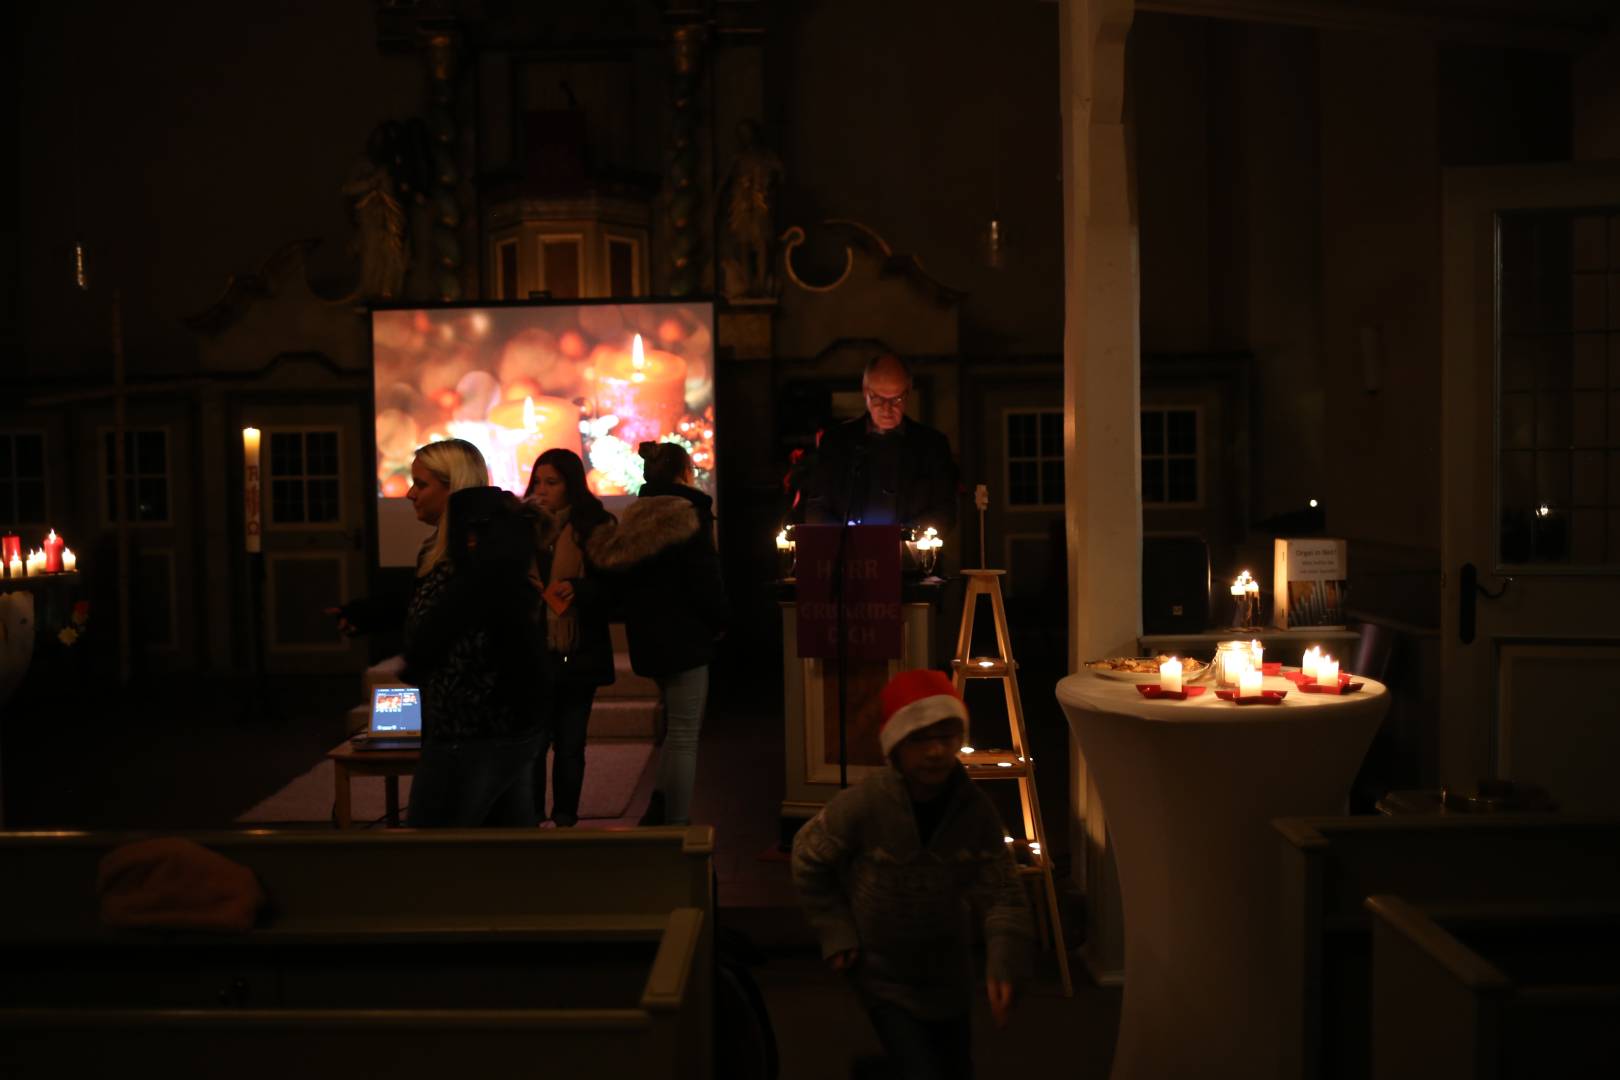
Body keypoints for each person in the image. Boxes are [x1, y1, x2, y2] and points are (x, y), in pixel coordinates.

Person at [792, 669, 1033, 1079]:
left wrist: (1004, 958)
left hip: (949, 976)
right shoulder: (865, 803)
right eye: (920, 739)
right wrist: (834, 927)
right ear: (895, 746)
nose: (936, 751)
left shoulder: (975, 812)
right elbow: (808, 855)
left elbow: (1002, 893)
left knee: (954, 1068)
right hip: (881, 974)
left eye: (947, 736)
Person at [587, 442, 727, 826]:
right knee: (684, 733)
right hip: (688, 637)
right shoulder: (692, 514)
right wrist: (720, 622)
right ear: (686, 473)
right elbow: (705, 579)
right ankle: (676, 825)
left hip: (647, 637)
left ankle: (662, 808)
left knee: (673, 729)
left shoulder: (634, 515)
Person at [402, 481, 545, 827]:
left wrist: (415, 663)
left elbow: (430, 645)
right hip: (515, 729)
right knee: (510, 844)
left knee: (433, 847)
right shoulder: (513, 578)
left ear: (466, 534)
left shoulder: (465, 582)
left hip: (466, 733)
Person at [525, 448, 616, 828]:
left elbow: (614, 590)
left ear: (571, 485)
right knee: (531, 745)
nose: (542, 491)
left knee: (570, 744)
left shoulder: (594, 526)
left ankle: (565, 817)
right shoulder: (523, 527)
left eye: (552, 482)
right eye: (538, 482)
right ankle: (529, 816)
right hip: (532, 651)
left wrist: (579, 588)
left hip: (578, 650)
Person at [797, 353, 960, 532]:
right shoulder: (836, 442)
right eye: (878, 399)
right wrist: (853, 542)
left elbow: (945, 513)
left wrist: (899, 539)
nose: (887, 409)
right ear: (865, 392)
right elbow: (816, 508)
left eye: (896, 399)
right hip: (849, 557)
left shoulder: (932, 445)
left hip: (910, 556)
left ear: (908, 392)